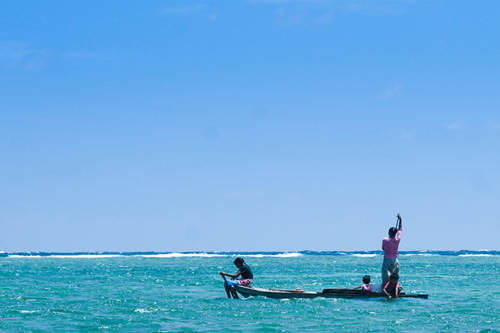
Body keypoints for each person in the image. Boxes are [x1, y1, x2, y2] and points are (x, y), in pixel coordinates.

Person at [381, 213, 403, 286]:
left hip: (387, 259)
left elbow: (383, 248)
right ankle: (395, 286)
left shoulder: (385, 240)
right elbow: (400, 229)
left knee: (385, 275)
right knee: (394, 275)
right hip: (395, 260)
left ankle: (386, 287)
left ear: (389, 233)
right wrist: (400, 219)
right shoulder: (397, 239)